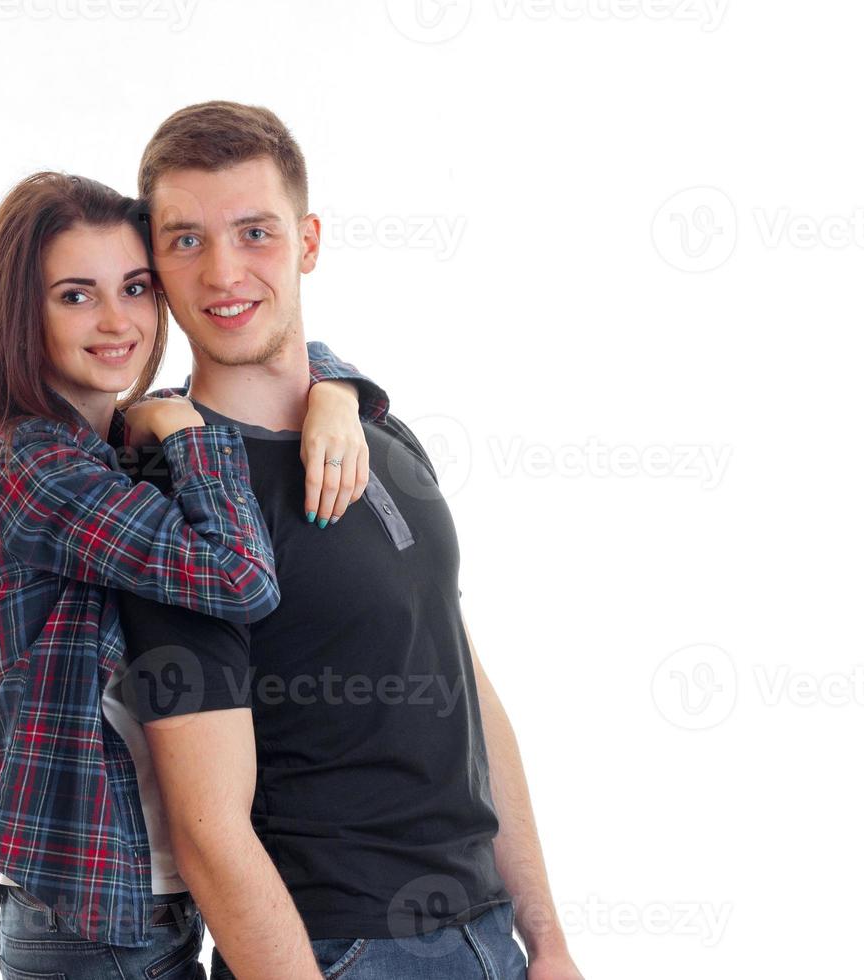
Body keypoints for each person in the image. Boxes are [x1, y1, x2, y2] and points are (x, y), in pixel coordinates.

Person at [115, 102, 585, 980]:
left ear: (309, 241)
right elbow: (209, 831)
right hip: (341, 951)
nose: (223, 271)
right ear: (157, 263)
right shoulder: (175, 501)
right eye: (185, 240)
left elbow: (465, 683)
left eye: (255, 232)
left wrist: (547, 939)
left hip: (489, 938)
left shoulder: (379, 430)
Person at [0, 170, 389, 979]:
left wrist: (335, 393)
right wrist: (186, 426)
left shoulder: (115, 451)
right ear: (20, 314)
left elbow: (275, 352)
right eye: (75, 296)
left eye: (135, 288)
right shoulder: (30, 464)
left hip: (152, 905)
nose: (116, 321)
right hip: (93, 920)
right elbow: (241, 576)